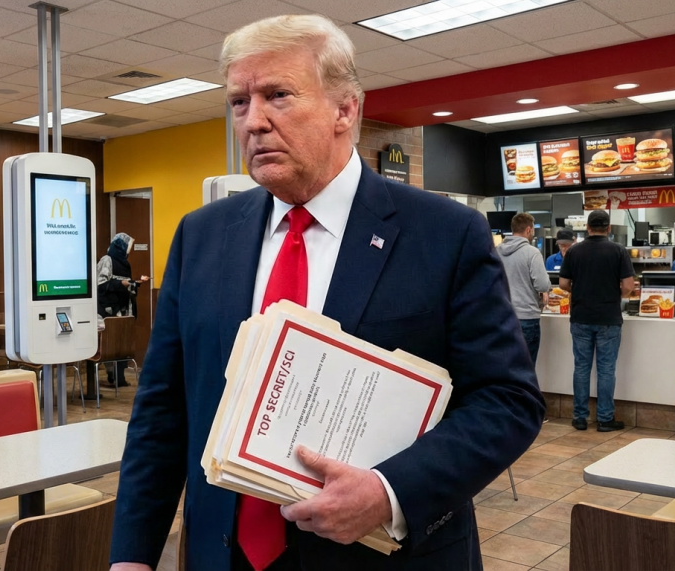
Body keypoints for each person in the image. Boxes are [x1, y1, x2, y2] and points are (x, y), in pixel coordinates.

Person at [110, 15, 544, 571]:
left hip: (381, 554)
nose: (254, 121)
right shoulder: (202, 235)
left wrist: (388, 490)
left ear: (346, 110)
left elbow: (506, 401)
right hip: (224, 552)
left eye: (278, 96)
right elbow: (163, 410)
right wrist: (132, 556)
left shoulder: (443, 233)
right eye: (239, 102)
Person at [559, 210, 634, 432]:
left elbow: (563, 284)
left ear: (588, 228)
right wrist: (613, 295)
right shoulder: (618, 250)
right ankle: (604, 419)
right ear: (608, 228)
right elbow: (629, 286)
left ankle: (580, 418)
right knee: (606, 370)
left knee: (581, 368)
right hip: (609, 318)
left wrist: (580, 290)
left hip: (581, 317)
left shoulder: (574, 251)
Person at [96, 233, 150, 389]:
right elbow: (101, 285)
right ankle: (113, 377)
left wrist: (135, 283)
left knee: (120, 345)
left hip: (123, 310)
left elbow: (126, 284)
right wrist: (123, 283)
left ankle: (119, 378)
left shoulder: (125, 263)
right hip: (108, 310)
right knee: (110, 344)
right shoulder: (107, 260)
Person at [497, 213, 550, 364]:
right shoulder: (532, 252)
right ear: (528, 230)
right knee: (526, 368)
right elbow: (542, 285)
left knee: (506, 366)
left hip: (502, 317)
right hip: (526, 318)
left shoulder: (496, 251)